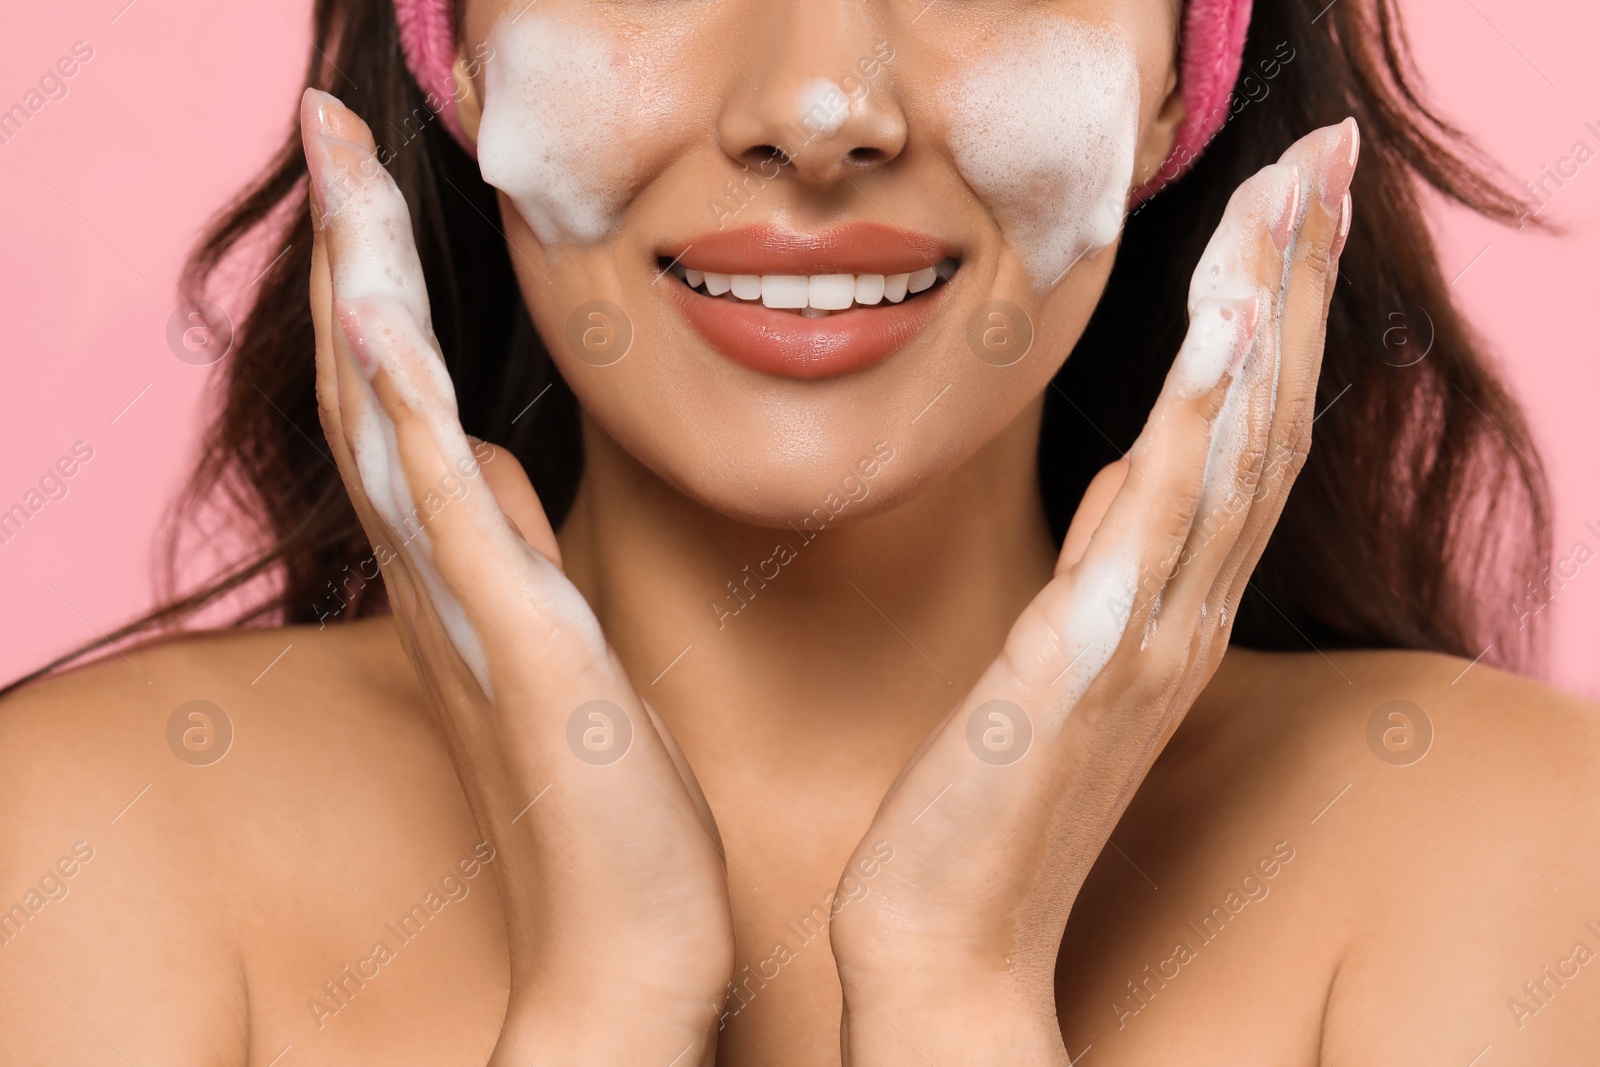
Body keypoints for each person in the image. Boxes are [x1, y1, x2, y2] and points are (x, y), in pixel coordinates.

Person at [2, 0, 1594, 1063]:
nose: (820, 109)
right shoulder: (83, 863)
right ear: (459, 50)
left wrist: (952, 994)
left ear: (1182, 62)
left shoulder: (1512, 861)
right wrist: (606, 1002)